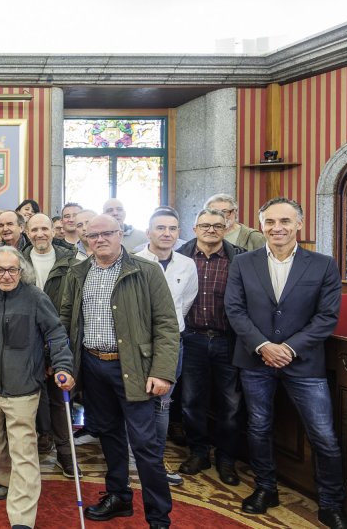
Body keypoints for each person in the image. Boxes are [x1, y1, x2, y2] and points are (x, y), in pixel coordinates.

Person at [223, 197, 347, 529]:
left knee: (323, 435)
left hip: (304, 362)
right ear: (261, 225)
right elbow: (234, 310)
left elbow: (327, 318)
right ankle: (266, 489)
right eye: (270, 222)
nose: (277, 228)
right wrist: (264, 346)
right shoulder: (243, 263)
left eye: (285, 221)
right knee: (259, 427)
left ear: (299, 224)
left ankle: (331, 504)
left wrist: (288, 349)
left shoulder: (323, 264)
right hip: (255, 359)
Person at [58, 214, 179, 529]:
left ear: (121, 234)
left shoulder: (146, 271)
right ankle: (119, 497)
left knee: (144, 445)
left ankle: (158, 516)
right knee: (109, 436)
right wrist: (64, 363)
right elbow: (66, 317)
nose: (99, 240)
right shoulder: (78, 272)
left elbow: (167, 325)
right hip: (93, 365)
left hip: (134, 368)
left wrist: (163, 371)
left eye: (107, 234)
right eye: (93, 235)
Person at [0, 246, 75, 527]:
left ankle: (22, 517)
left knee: (24, 451)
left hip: (23, 389)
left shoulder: (35, 298)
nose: (6, 275)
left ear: (22, 271)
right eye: (0, 270)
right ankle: (9, 480)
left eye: (13, 270)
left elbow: (56, 334)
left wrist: (63, 366)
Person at [174, 208, 245, 486]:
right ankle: (199, 452)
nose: (211, 230)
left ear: (226, 228)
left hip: (228, 339)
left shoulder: (238, 257)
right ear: (195, 228)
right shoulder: (180, 256)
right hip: (192, 338)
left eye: (217, 225)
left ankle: (226, 459)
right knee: (192, 402)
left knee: (231, 404)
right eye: (205, 225)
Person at [134, 208, 199, 486]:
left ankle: (155, 463)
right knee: (135, 403)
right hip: (137, 344)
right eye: (160, 228)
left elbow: (184, 304)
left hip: (171, 345)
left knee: (162, 404)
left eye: (172, 228)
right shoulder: (133, 261)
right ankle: (130, 460)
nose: (167, 234)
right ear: (148, 232)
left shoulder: (187, 264)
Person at [22, 213, 80, 478]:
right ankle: (31, 451)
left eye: (45, 228)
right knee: (27, 400)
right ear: (26, 231)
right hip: (26, 342)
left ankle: (66, 454)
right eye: (34, 229)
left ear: (53, 231)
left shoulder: (71, 261)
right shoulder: (17, 260)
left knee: (59, 399)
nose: (40, 234)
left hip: (59, 338)